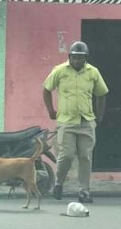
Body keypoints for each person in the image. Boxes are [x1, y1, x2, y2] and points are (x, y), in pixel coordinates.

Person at [43, 41, 108, 204]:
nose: (77, 61)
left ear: (85, 58)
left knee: (85, 157)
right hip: (66, 122)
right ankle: (59, 182)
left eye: (80, 58)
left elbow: (102, 93)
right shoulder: (59, 71)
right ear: (69, 57)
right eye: (74, 58)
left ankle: (84, 191)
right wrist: (51, 110)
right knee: (67, 156)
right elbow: (46, 89)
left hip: (87, 121)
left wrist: (99, 115)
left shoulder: (93, 72)